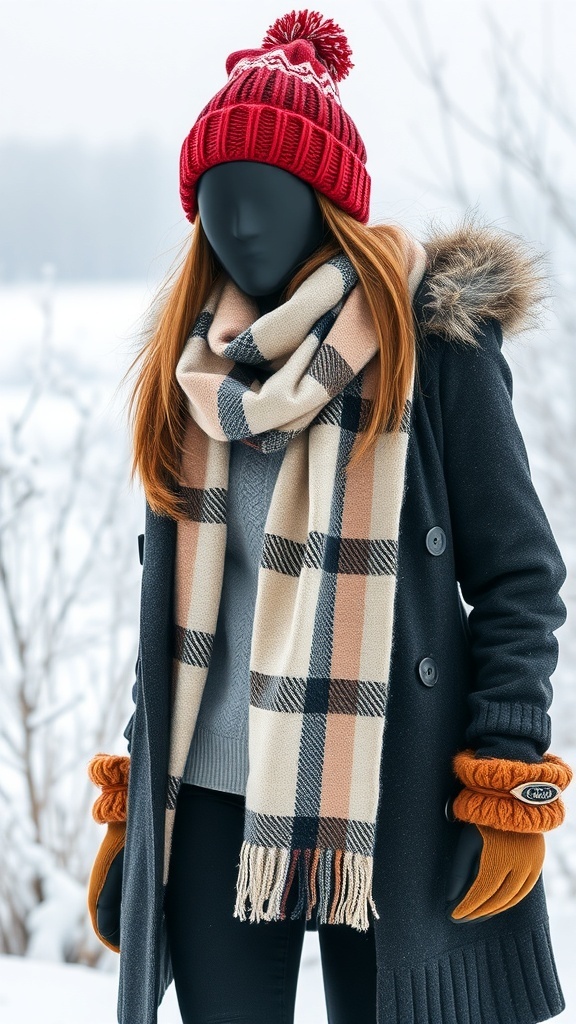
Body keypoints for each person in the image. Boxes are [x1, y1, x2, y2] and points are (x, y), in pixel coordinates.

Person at [86, 11, 572, 1024]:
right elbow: (170, 621)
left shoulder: (433, 347)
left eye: (266, 191)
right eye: (216, 197)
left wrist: (507, 769)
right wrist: (137, 791)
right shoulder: (194, 375)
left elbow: (520, 576)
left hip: (387, 795)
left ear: (326, 203)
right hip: (212, 797)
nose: (239, 221)